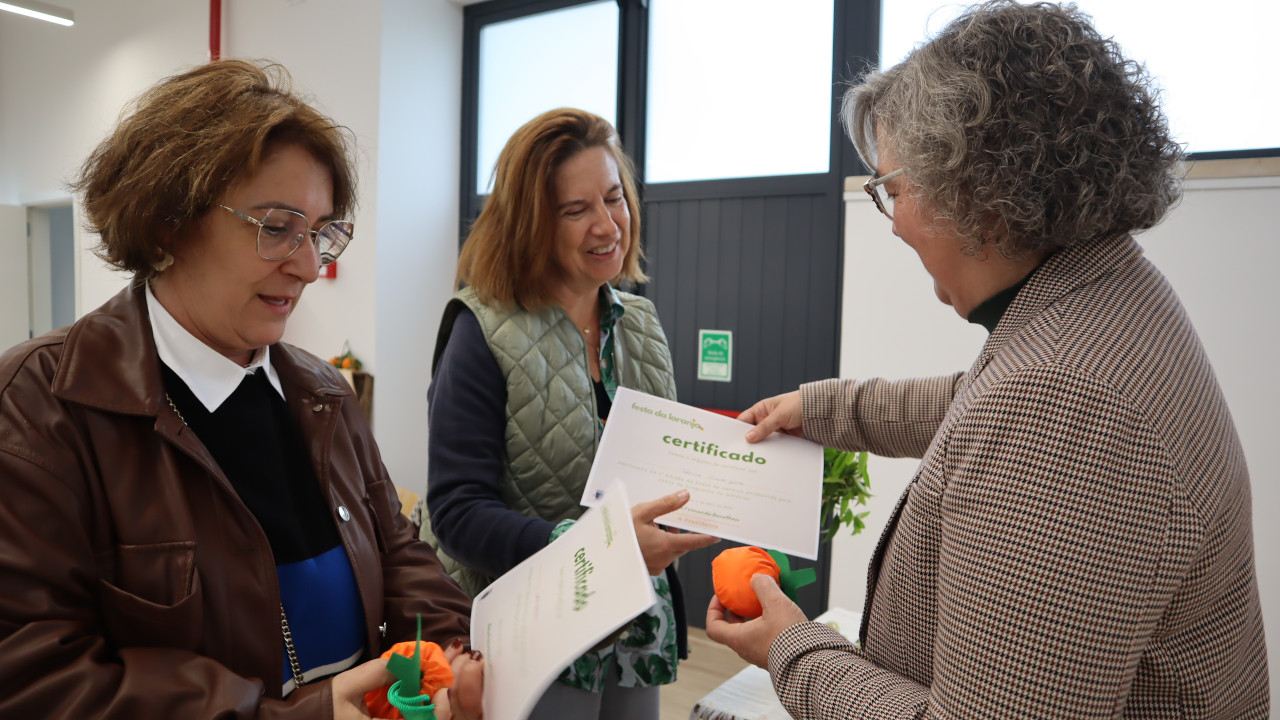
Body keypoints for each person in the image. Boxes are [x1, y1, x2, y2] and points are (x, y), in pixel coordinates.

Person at [706, 2, 1269, 718]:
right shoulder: (1108, 292)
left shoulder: (1065, 408)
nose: (893, 220)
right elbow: (983, 401)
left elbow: (1024, 417)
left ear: (981, 196)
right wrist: (823, 409)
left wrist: (792, 645)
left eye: (893, 190)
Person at [0, 60, 483, 720]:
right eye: (276, 227)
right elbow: (35, 678)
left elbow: (398, 554)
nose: (310, 266)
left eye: (320, 232)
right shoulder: (41, 407)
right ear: (170, 222)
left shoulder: (321, 392)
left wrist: (453, 652)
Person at [424, 107, 718, 719]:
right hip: (534, 631)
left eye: (614, 198)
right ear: (532, 224)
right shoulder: (482, 330)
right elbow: (455, 512)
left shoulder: (639, 323)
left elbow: (661, 463)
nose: (608, 225)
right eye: (575, 210)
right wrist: (591, 546)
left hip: (636, 624)